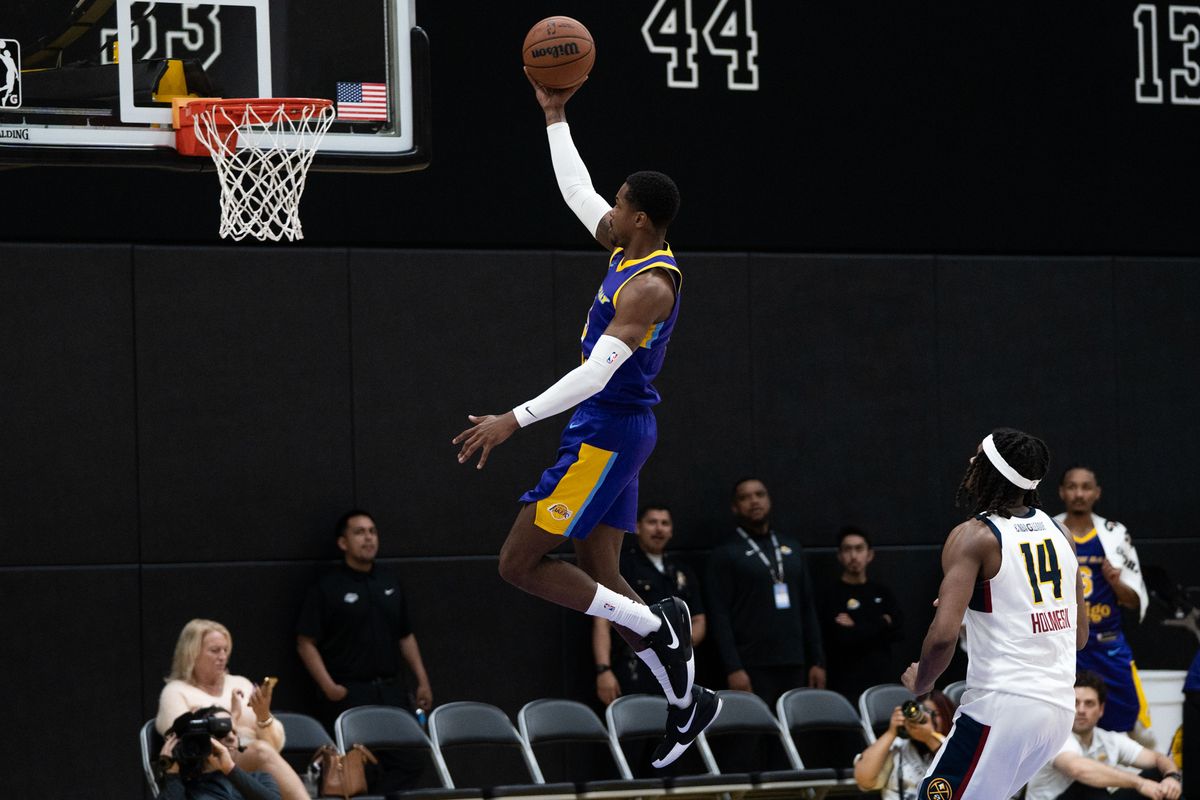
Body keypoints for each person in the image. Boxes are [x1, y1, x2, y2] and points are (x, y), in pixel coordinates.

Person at [450, 70, 719, 769]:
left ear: (639, 220)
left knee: (518, 562)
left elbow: (597, 373)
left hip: (606, 429)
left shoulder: (651, 285)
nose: (610, 210)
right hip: (615, 428)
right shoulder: (626, 245)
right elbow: (577, 192)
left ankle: (661, 628)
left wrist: (514, 418)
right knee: (602, 572)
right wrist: (554, 115)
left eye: (620, 204)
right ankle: (689, 702)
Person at [901, 427, 1088, 800]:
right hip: (1057, 714)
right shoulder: (1061, 532)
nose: (971, 463)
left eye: (978, 457)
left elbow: (942, 637)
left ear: (992, 471)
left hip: (1002, 709)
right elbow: (1079, 636)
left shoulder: (975, 536)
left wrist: (922, 683)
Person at [296, 510, 433, 791]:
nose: (368, 537)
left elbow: (405, 636)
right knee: (355, 767)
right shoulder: (327, 586)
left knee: (413, 757)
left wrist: (423, 681)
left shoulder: (389, 581)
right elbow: (305, 642)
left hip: (392, 690)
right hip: (350, 692)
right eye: (359, 532)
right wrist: (329, 686)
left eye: (372, 531)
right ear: (343, 542)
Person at [705, 477, 826, 708]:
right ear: (734, 507)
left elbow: (808, 607)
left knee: (792, 735)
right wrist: (733, 667)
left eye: (759, 494)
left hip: (794, 661)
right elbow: (719, 616)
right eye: (745, 497)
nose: (754, 501)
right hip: (751, 664)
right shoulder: (725, 553)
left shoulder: (792, 547)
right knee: (753, 738)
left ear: (769, 500)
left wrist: (817, 660)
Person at [156, 619, 307, 800]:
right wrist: (234, 719)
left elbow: (275, 746)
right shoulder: (175, 691)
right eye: (214, 650)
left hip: (247, 763)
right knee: (260, 751)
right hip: (208, 762)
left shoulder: (240, 683)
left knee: (264, 751)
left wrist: (263, 715)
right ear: (191, 653)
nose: (222, 656)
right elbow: (181, 740)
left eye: (225, 650)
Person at [1056, 466, 1153, 740]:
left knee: (1127, 719)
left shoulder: (1113, 535)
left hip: (1107, 644)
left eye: (1085, 487)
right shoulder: (1046, 532)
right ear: (1061, 492)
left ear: (1096, 493)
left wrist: (1115, 582)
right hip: (1065, 645)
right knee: (1060, 721)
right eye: (1072, 487)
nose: (1078, 493)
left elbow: (1134, 602)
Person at [593, 504, 706, 705]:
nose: (659, 529)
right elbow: (602, 621)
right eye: (652, 522)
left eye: (665, 523)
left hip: (678, 667)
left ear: (671, 530)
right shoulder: (622, 568)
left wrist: (679, 647)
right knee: (637, 727)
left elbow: (698, 620)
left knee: (676, 728)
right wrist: (604, 669)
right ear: (637, 527)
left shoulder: (681, 570)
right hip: (634, 664)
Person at [1024, 671, 1182, 800]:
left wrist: (1172, 777)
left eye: (1089, 703)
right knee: (1089, 787)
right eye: (1075, 702)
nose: (1081, 710)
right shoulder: (1056, 737)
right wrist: (1139, 783)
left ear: (1101, 710)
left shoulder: (1109, 740)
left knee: (1157, 776)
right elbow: (1077, 769)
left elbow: (1157, 758)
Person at [820, 526, 904, 704]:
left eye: (859, 548)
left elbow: (898, 630)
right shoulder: (831, 594)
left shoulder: (882, 592)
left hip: (882, 678)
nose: (853, 556)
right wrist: (881, 622)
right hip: (846, 681)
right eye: (847, 549)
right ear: (839, 556)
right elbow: (842, 638)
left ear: (869, 554)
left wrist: (857, 625)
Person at [159, 706, 281, 800]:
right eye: (221, 732)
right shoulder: (187, 788)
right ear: (199, 738)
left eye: (234, 732)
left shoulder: (260, 779)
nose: (231, 737)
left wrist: (229, 769)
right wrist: (172, 775)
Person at [853, 692, 954, 800]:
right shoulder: (899, 745)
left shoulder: (957, 745)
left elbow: (960, 772)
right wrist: (891, 732)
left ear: (947, 715)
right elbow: (864, 780)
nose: (925, 717)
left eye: (934, 713)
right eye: (922, 711)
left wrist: (930, 738)